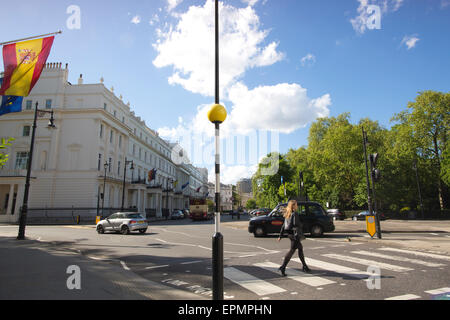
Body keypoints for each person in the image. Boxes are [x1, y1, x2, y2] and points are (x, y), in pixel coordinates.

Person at [277, 200, 310, 276]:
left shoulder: (287, 213)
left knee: (300, 249)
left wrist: (280, 235)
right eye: (296, 205)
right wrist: (302, 225)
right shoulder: (294, 213)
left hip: (290, 234)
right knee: (292, 251)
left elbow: (283, 226)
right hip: (295, 235)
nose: (297, 206)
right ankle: (283, 267)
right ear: (293, 206)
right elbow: (296, 224)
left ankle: (305, 266)